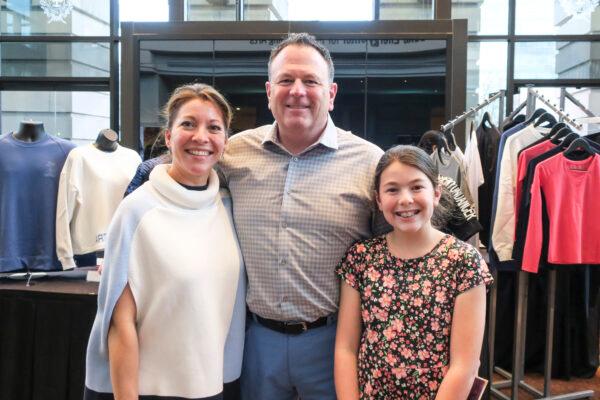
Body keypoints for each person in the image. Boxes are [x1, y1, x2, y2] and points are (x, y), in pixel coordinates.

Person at [218, 33, 388, 400]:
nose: (297, 90)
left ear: (331, 93)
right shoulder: (232, 155)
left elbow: (391, 252)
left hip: (335, 343)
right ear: (268, 90)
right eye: (285, 80)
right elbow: (181, 176)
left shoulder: (370, 162)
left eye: (310, 81)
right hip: (255, 343)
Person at [84, 83, 245, 400]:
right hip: (148, 389)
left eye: (213, 127)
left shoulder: (228, 207)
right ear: (169, 136)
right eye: (188, 124)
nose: (201, 136)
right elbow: (120, 324)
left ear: (225, 142)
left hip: (210, 384)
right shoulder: (137, 210)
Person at [334, 145, 493, 399]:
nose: (405, 199)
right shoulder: (361, 258)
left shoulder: (463, 261)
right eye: (392, 189)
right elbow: (346, 348)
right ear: (378, 199)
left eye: (417, 187)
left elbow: (465, 364)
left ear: (437, 193)